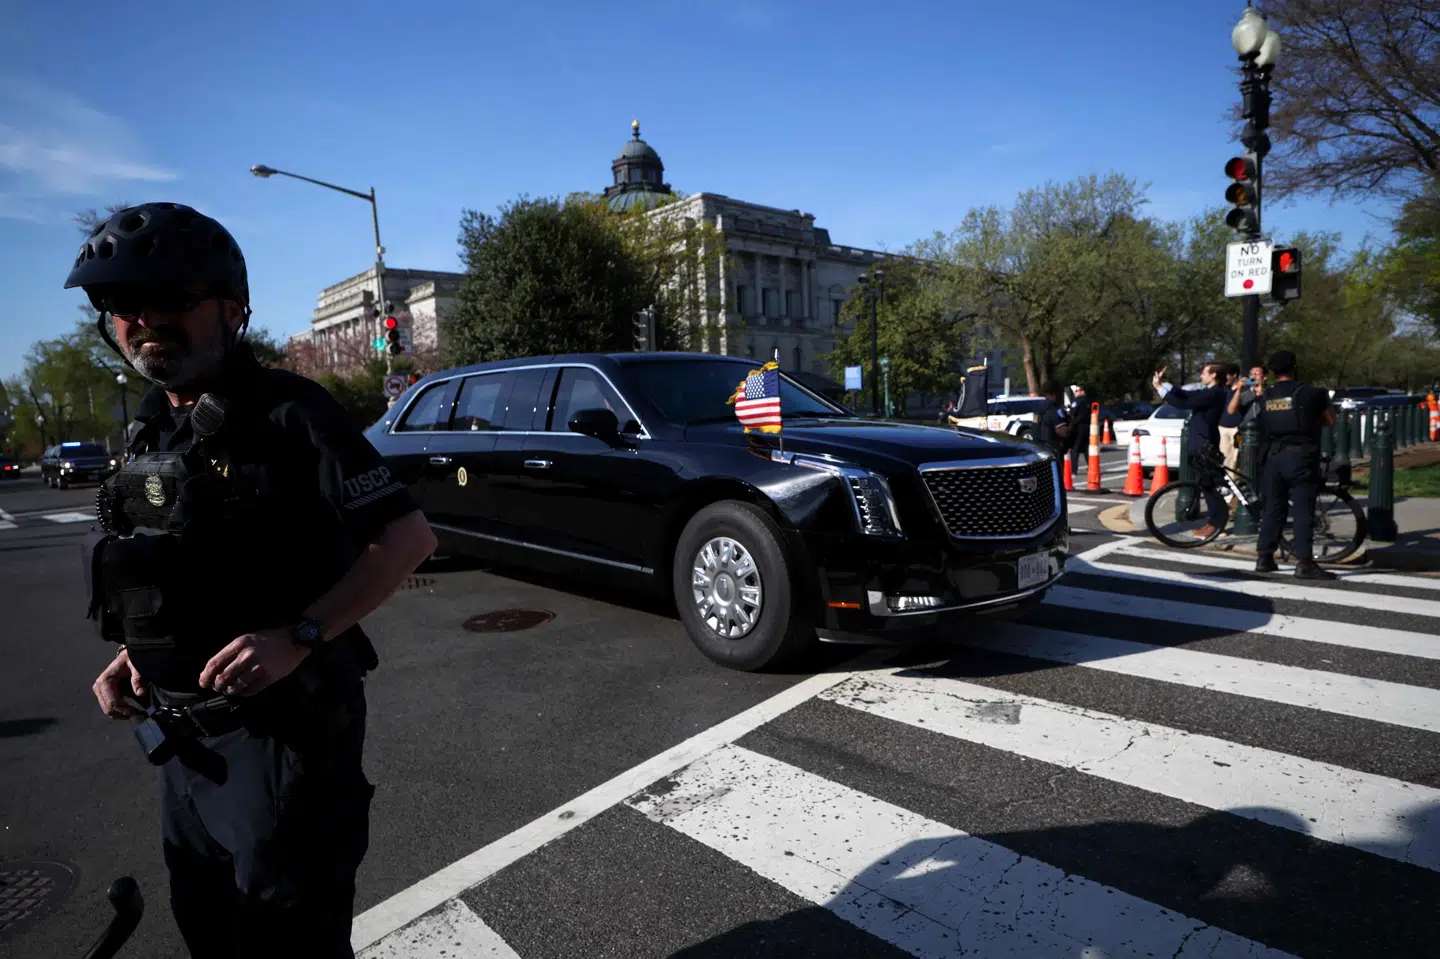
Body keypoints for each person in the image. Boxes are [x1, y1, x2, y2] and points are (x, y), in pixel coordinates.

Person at [68, 202, 438, 957]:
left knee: (289, 940)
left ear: (231, 309)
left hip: (283, 744)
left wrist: (299, 634)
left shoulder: (292, 412)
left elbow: (407, 538)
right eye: (121, 304)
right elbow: (177, 564)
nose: (142, 319)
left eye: (169, 298)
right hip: (181, 746)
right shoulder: (151, 425)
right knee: (210, 931)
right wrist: (137, 652)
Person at [1254, 350, 1338, 580]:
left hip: (1272, 457)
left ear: (1272, 371)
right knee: (1303, 510)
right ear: (1294, 366)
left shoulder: (1266, 395)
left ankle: (1264, 557)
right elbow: (1331, 420)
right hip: (1301, 456)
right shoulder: (1311, 393)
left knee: (1273, 508)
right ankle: (1304, 562)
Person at [1152, 362, 1231, 538]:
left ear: (1213, 375)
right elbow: (1185, 393)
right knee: (1206, 483)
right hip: (1200, 442)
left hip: (1205, 443)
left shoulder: (1214, 393)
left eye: (1204, 373)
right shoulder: (1208, 392)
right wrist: (1164, 384)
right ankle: (1217, 521)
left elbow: (1185, 403)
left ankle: (1217, 523)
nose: (1201, 375)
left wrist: (1161, 390)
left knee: (1208, 483)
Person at [1037, 382, 1071, 457]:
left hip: (1039, 448)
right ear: (1054, 393)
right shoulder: (1052, 409)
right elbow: (1062, 431)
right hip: (1053, 449)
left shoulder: (1038, 407)